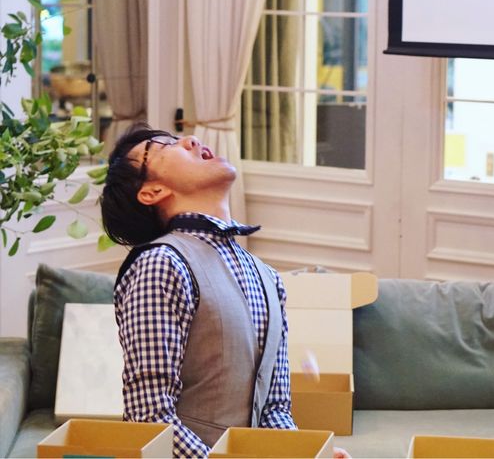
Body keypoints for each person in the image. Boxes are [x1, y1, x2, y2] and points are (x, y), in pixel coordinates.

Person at [100, 123, 349, 458]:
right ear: (152, 191)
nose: (191, 140)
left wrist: (303, 454)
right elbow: (150, 418)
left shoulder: (268, 278)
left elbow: (274, 409)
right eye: (163, 146)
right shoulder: (160, 264)